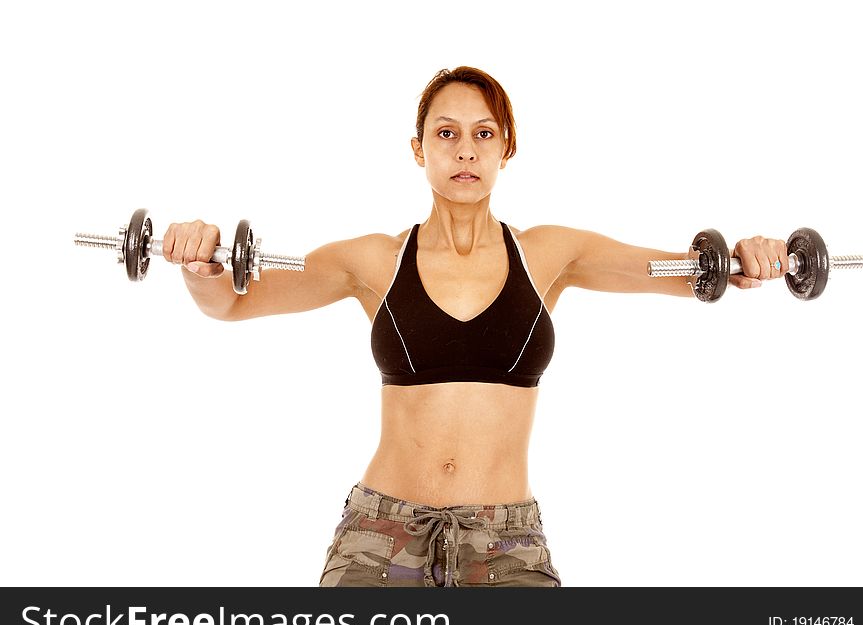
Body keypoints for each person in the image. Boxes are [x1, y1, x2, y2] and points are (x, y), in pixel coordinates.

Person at [161, 66, 789, 587]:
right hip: (382, 535)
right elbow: (233, 302)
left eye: (484, 134)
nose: (466, 150)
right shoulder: (373, 261)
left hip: (505, 541)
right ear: (420, 150)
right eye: (447, 133)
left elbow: (686, 272)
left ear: (505, 150)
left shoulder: (551, 254)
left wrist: (749, 258)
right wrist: (199, 264)